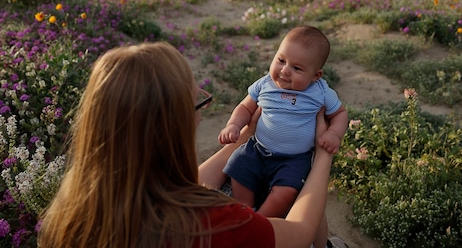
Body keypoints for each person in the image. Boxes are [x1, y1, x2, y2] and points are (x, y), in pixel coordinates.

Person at [38, 41, 335, 248]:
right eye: (197, 102)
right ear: (173, 125)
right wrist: (322, 156)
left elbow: (185, 183)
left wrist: (242, 140)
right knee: (312, 207)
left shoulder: (69, 215)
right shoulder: (212, 223)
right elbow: (300, 232)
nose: (200, 111)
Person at [218, 26, 348, 218]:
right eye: (281, 60)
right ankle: (246, 211)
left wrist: (334, 133)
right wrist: (234, 125)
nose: (285, 71)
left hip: (294, 159)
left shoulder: (320, 92)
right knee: (238, 168)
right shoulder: (264, 84)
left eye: (296, 68)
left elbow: (339, 114)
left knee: (287, 191)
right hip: (257, 149)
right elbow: (245, 107)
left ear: (315, 76)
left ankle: (262, 220)